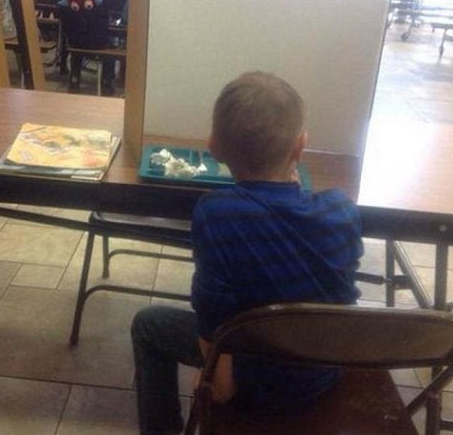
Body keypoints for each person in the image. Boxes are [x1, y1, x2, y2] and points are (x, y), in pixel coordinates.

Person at [131, 72, 363, 435]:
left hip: (254, 382)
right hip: (322, 374)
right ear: (300, 148)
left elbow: (213, 313)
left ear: (214, 146)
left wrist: (217, 382)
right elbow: (335, 291)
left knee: (148, 325)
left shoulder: (215, 212)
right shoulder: (341, 210)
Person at [58, 0, 116, 95]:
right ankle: (106, 81)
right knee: (111, 50)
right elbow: (110, 9)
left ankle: (75, 78)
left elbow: (60, 8)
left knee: (77, 53)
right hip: (98, 39)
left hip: (74, 39)